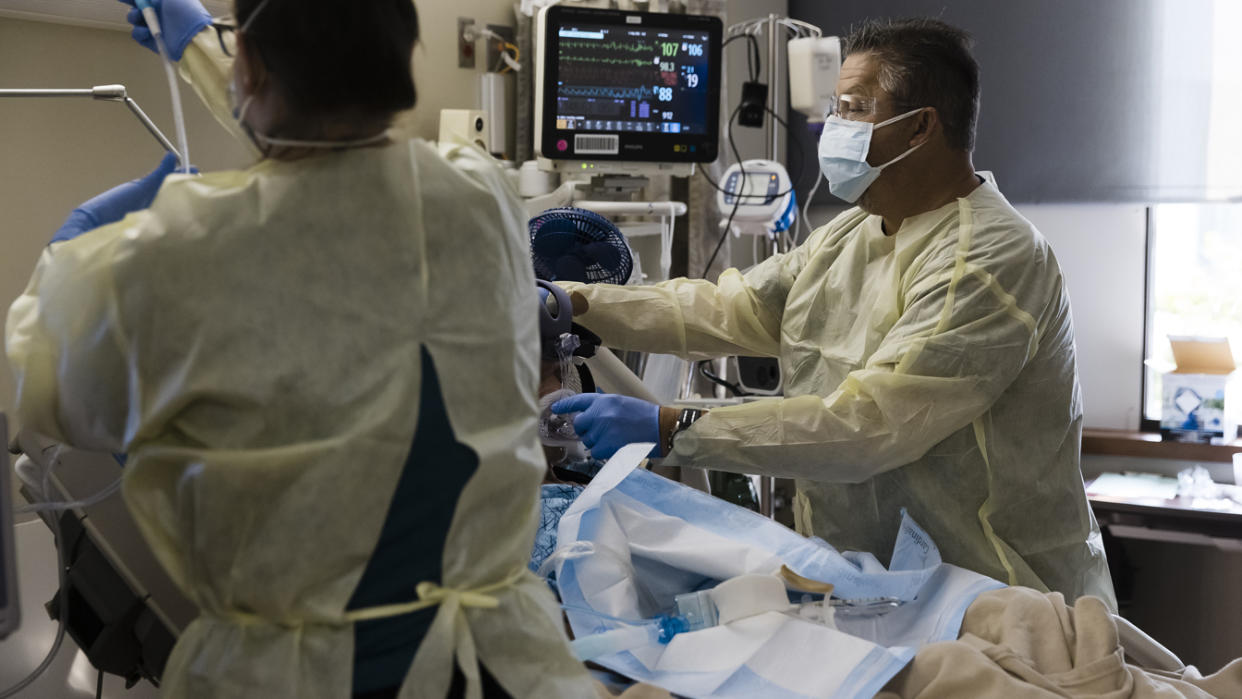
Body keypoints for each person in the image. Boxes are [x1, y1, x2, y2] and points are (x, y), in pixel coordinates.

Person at [5, 0, 598, 697]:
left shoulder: (170, 252)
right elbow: (334, 150)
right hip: (497, 662)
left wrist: (70, 253)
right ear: (403, 61)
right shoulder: (481, 194)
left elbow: (47, 394)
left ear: (252, 68)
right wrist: (204, 47)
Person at [552, 17, 1116, 609]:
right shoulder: (851, 233)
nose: (835, 128)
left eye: (855, 108)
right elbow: (730, 308)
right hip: (876, 592)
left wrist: (672, 427)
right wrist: (575, 303)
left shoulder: (990, 258)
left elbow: (868, 427)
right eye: (836, 108)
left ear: (921, 126)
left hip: (1000, 597)